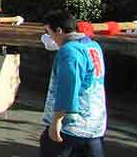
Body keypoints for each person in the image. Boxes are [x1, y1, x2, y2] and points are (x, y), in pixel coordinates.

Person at [39, 10, 107, 157]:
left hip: (71, 126)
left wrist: (56, 121)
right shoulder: (93, 46)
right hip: (95, 124)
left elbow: (68, 87)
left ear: (59, 30)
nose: (49, 37)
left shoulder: (70, 51)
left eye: (49, 32)